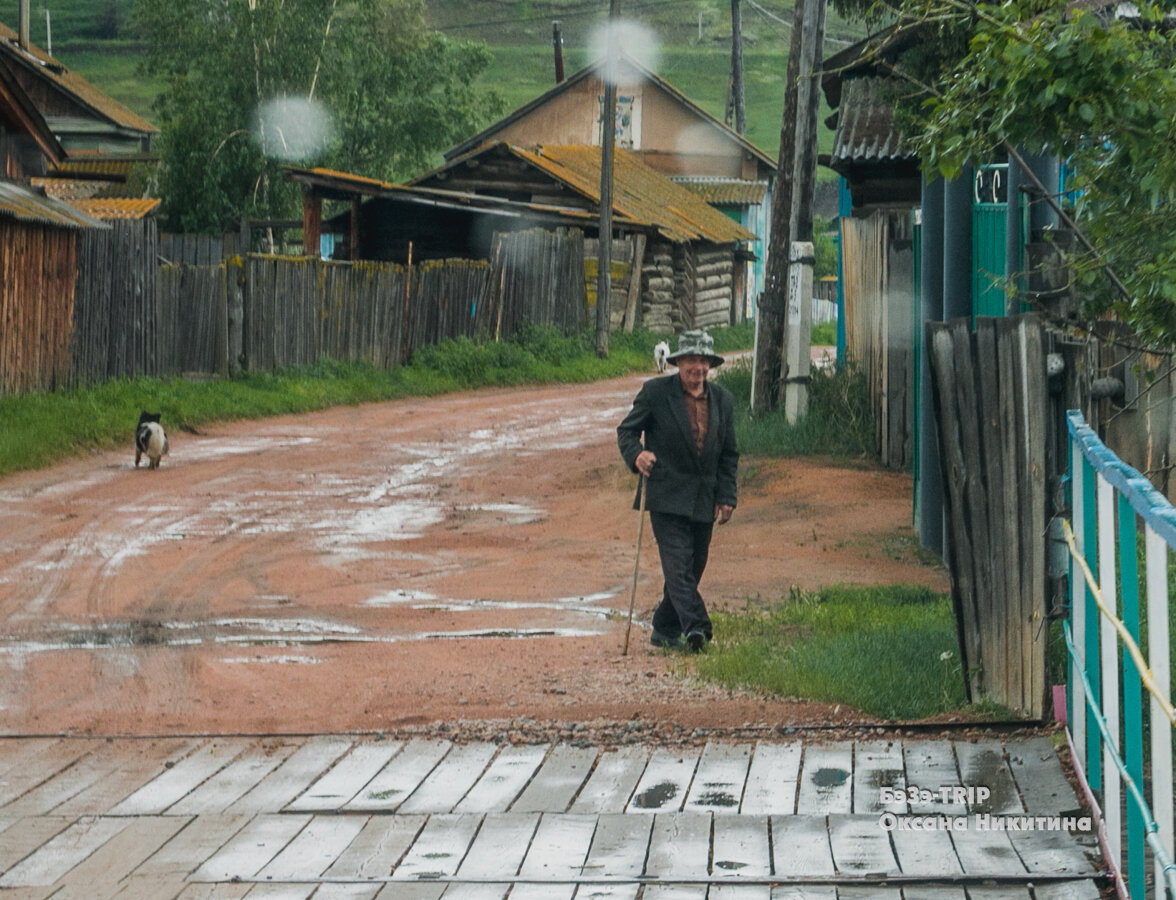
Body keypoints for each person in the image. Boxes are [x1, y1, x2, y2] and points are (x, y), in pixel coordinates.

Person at [617, 329, 738, 652]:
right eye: (690, 361)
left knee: (694, 567)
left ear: (710, 365)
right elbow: (627, 431)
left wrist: (727, 496)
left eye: (702, 362)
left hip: (704, 497)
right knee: (678, 566)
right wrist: (636, 455)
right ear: (678, 363)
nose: (696, 368)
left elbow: (728, 454)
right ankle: (697, 630)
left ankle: (664, 626)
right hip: (666, 494)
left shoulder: (723, 400)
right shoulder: (656, 393)